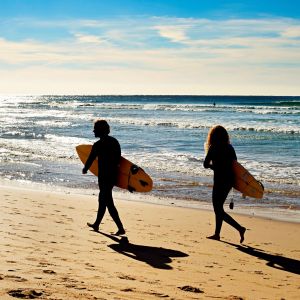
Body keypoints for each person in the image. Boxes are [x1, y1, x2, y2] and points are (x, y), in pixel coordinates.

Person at [203, 125, 246, 243]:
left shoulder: (213, 147)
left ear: (212, 136)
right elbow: (236, 165)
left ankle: (239, 228)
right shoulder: (230, 147)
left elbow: (205, 164)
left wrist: (214, 167)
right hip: (229, 181)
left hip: (219, 181)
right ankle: (217, 234)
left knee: (218, 209)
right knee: (219, 208)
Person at [82, 119, 125, 235]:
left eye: (95, 129)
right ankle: (96, 224)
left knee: (108, 202)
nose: (93, 131)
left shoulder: (98, 145)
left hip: (104, 177)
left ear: (100, 130)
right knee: (102, 200)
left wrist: (85, 169)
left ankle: (120, 228)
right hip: (112, 176)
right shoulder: (114, 142)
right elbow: (119, 160)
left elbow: (90, 159)